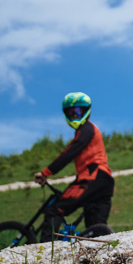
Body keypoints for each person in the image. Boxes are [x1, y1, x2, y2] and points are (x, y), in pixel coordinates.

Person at [32, 92, 114, 240]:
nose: (75, 115)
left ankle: (43, 252)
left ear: (86, 111)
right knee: (95, 231)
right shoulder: (88, 130)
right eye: (70, 113)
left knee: (53, 210)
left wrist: (46, 172)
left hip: (92, 178)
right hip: (105, 182)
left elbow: (70, 152)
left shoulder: (87, 129)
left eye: (77, 111)